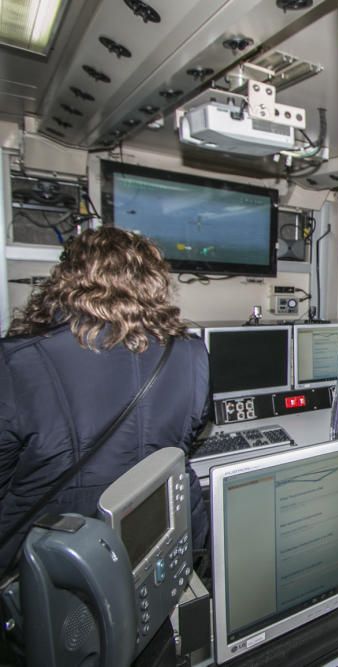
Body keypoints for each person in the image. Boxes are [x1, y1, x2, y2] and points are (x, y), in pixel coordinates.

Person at [0, 227, 210, 573]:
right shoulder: (191, 353)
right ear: (153, 282)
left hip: (52, 558)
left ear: (67, 278)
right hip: (160, 541)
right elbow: (191, 431)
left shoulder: (16, 362)